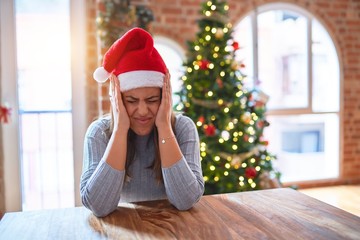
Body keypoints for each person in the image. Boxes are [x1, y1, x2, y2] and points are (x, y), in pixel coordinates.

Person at [80, 27, 204, 217]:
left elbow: (186, 200)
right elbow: (98, 206)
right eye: (131, 101)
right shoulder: (99, 133)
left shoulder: (182, 128)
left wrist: (164, 127)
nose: (143, 111)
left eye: (152, 100)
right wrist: (120, 130)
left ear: (165, 97)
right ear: (117, 99)